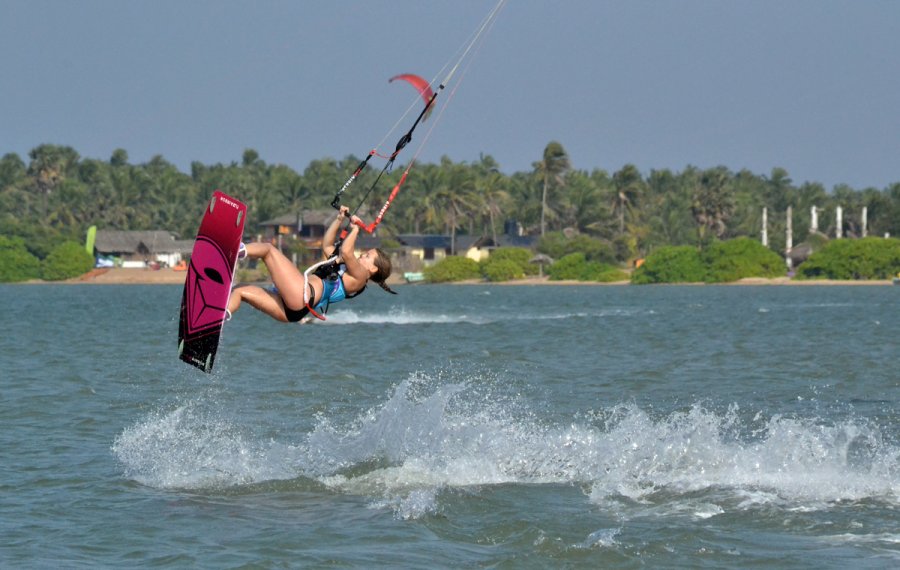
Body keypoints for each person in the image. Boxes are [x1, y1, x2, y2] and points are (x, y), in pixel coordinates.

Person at [227, 206, 393, 323]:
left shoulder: (361, 276)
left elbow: (348, 252)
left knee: (268, 250)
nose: (362, 256)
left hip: (301, 296)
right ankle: (216, 320)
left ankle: (230, 252)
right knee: (240, 290)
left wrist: (355, 229)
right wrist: (339, 220)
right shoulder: (345, 268)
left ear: (373, 268)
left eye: (367, 256)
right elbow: (327, 245)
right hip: (292, 311)